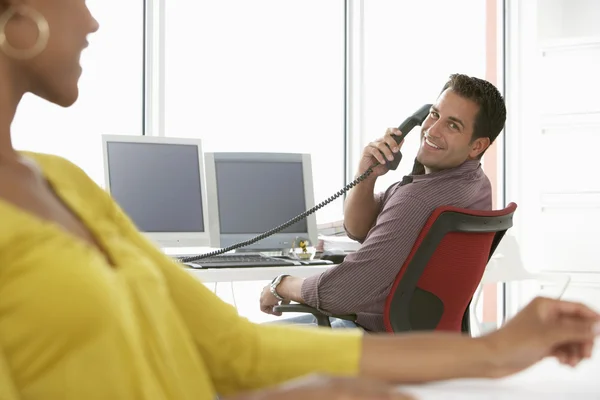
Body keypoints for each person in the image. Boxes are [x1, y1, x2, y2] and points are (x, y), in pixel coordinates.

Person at [0, 1, 599, 399]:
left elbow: (238, 347)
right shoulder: (446, 188)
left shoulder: (65, 183)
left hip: (360, 322)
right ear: (18, 19)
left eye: (451, 126)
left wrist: (495, 353)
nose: (93, 21)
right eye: (432, 119)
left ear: (479, 147)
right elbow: (367, 237)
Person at [259, 74, 504, 331]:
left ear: (477, 146)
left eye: (452, 125)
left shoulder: (418, 199)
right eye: (434, 114)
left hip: (374, 340)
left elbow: (343, 292)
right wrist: (366, 176)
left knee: (238, 348)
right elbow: (359, 228)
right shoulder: (476, 185)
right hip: (425, 345)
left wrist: (281, 284)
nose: (432, 130)